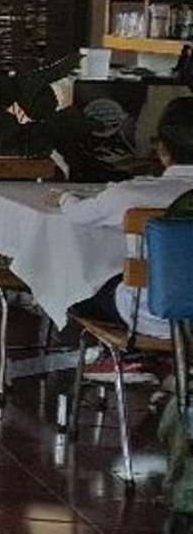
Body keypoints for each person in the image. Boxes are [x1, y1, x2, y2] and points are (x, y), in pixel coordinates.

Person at [60, 96, 193, 382]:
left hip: (148, 317)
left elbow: (78, 215)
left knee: (77, 283)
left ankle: (129, 357)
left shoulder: (131, 194)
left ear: (162, 151)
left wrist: (64, 198)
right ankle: (163, 363)